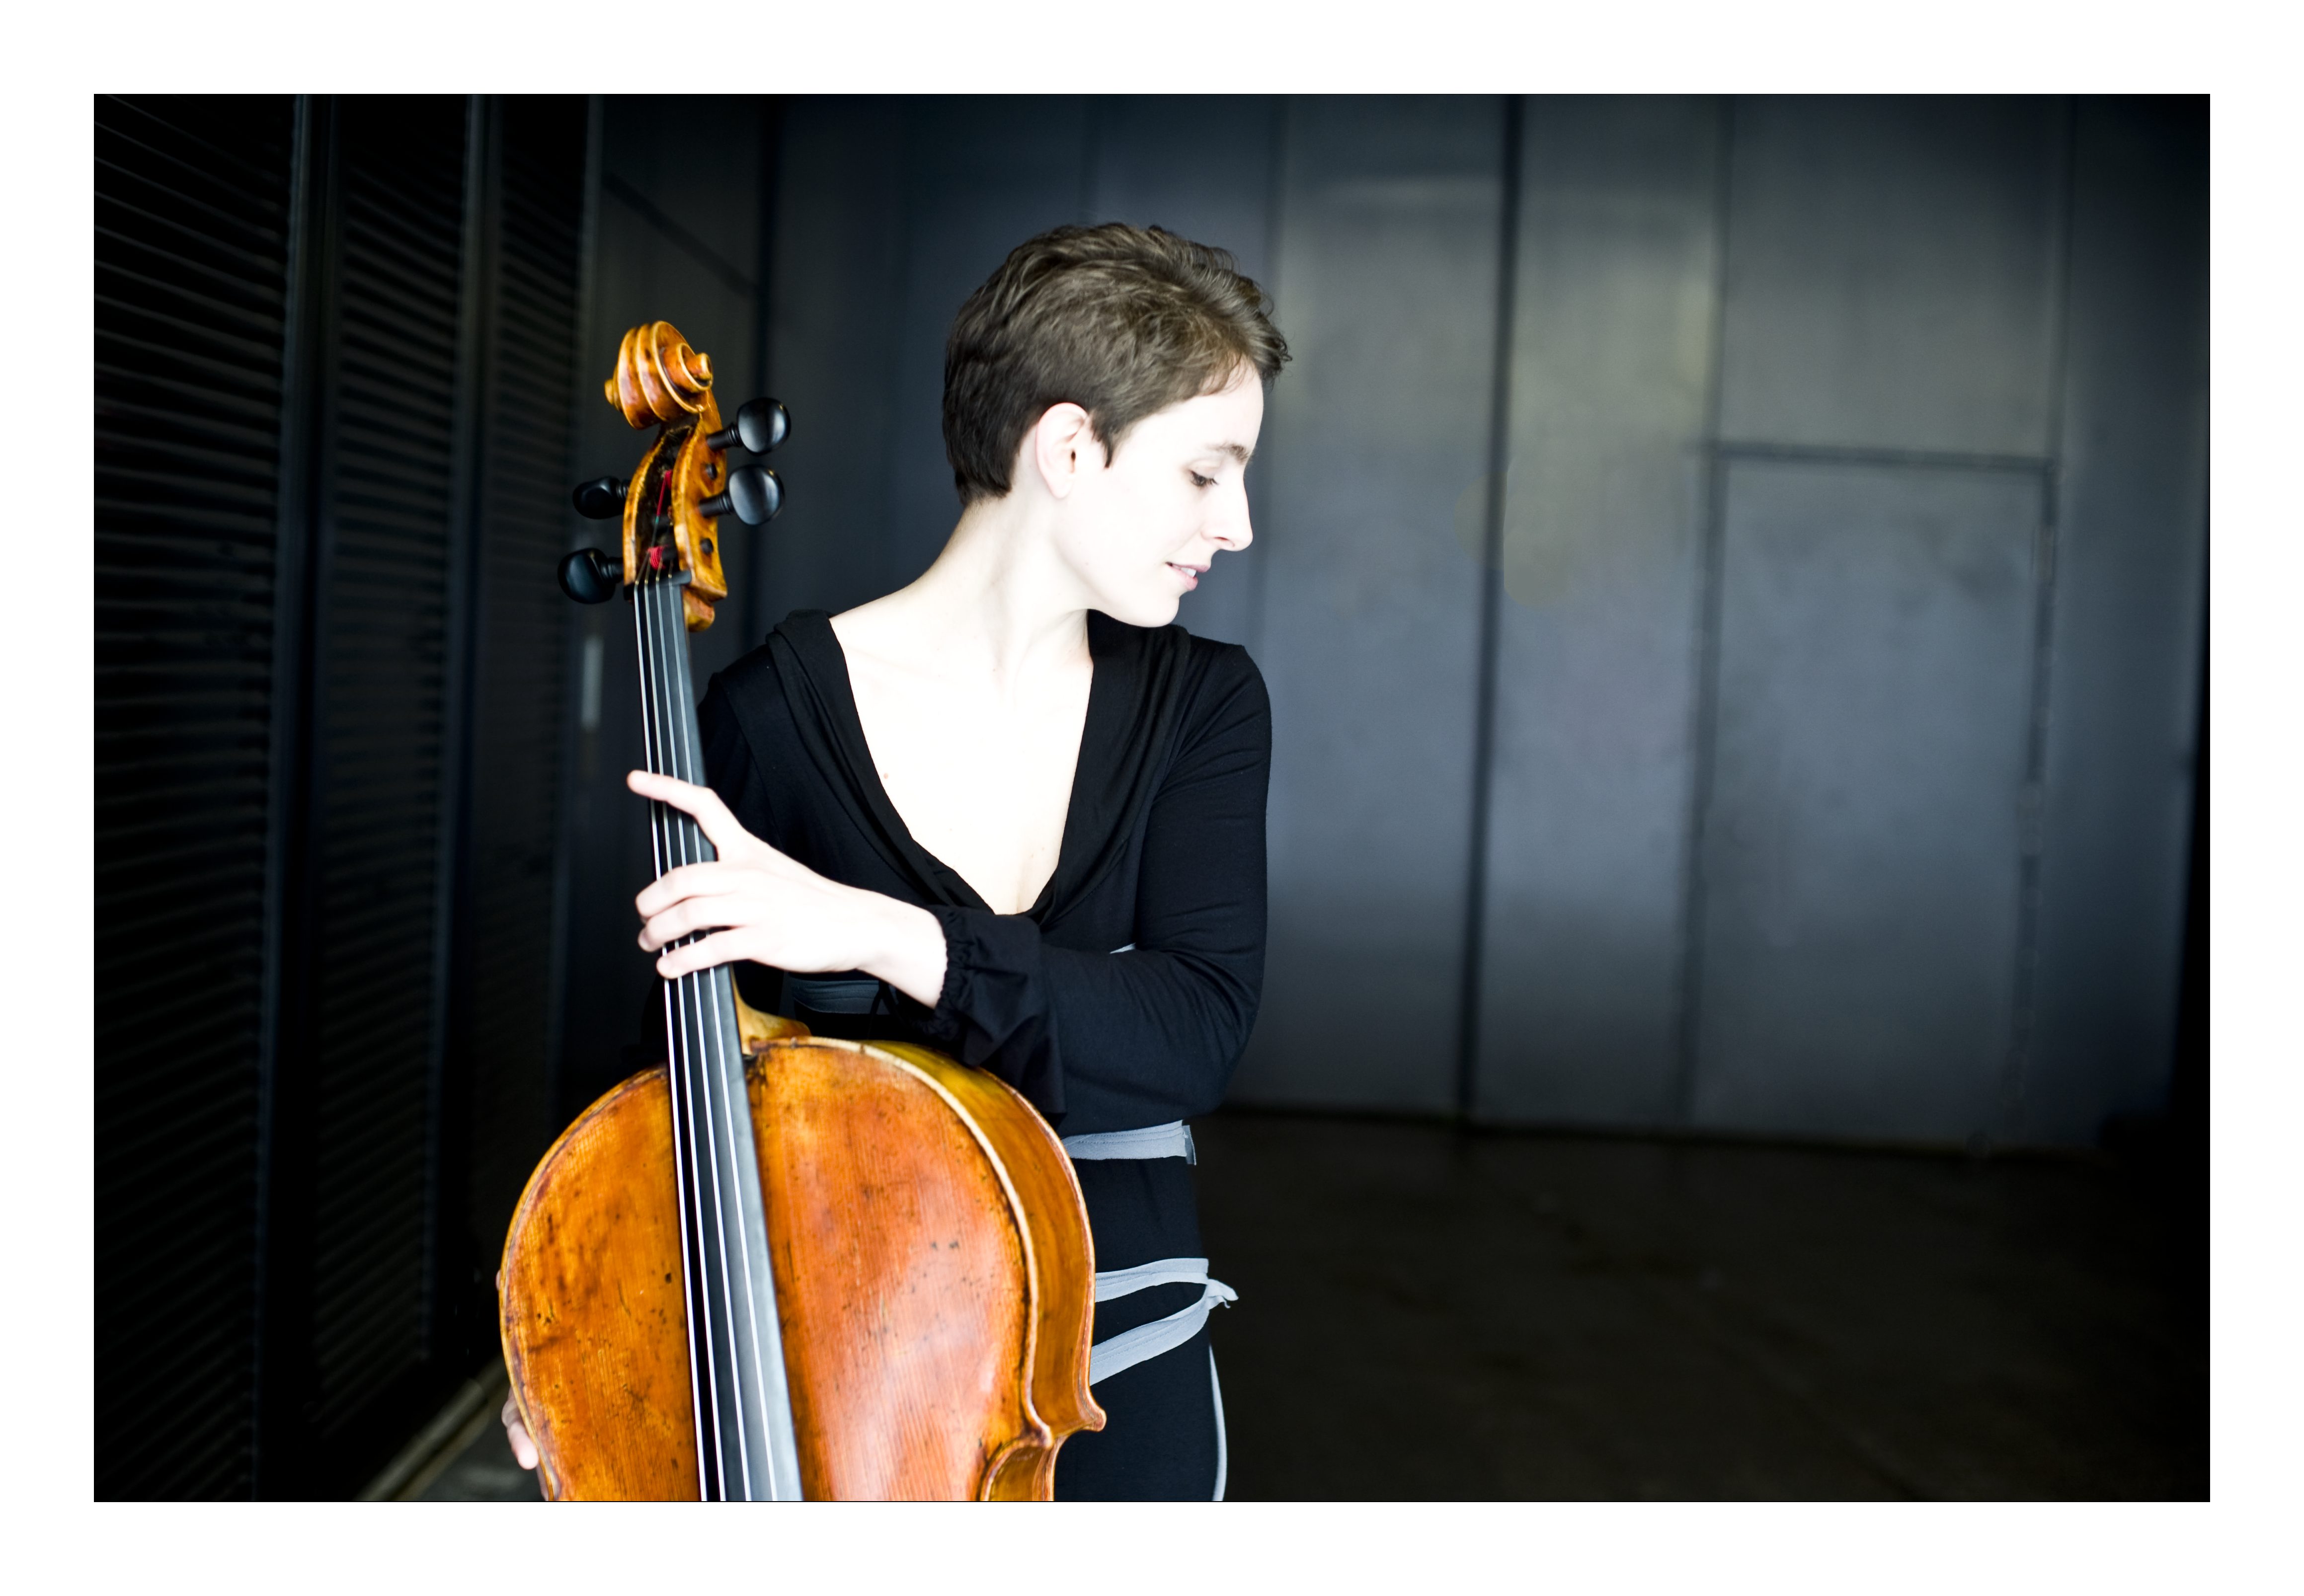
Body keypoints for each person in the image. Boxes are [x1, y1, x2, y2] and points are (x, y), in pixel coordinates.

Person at [502, 222, 1286, 1499]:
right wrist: (579, 1316)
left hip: (1111, 1370)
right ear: (1069, 448)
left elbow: (1192, 1029)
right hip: (842, 1376)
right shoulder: (767, 719)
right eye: (1206, 473)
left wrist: (879, 933)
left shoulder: (1204, 706)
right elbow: (671, 1077)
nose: (1238, 523)